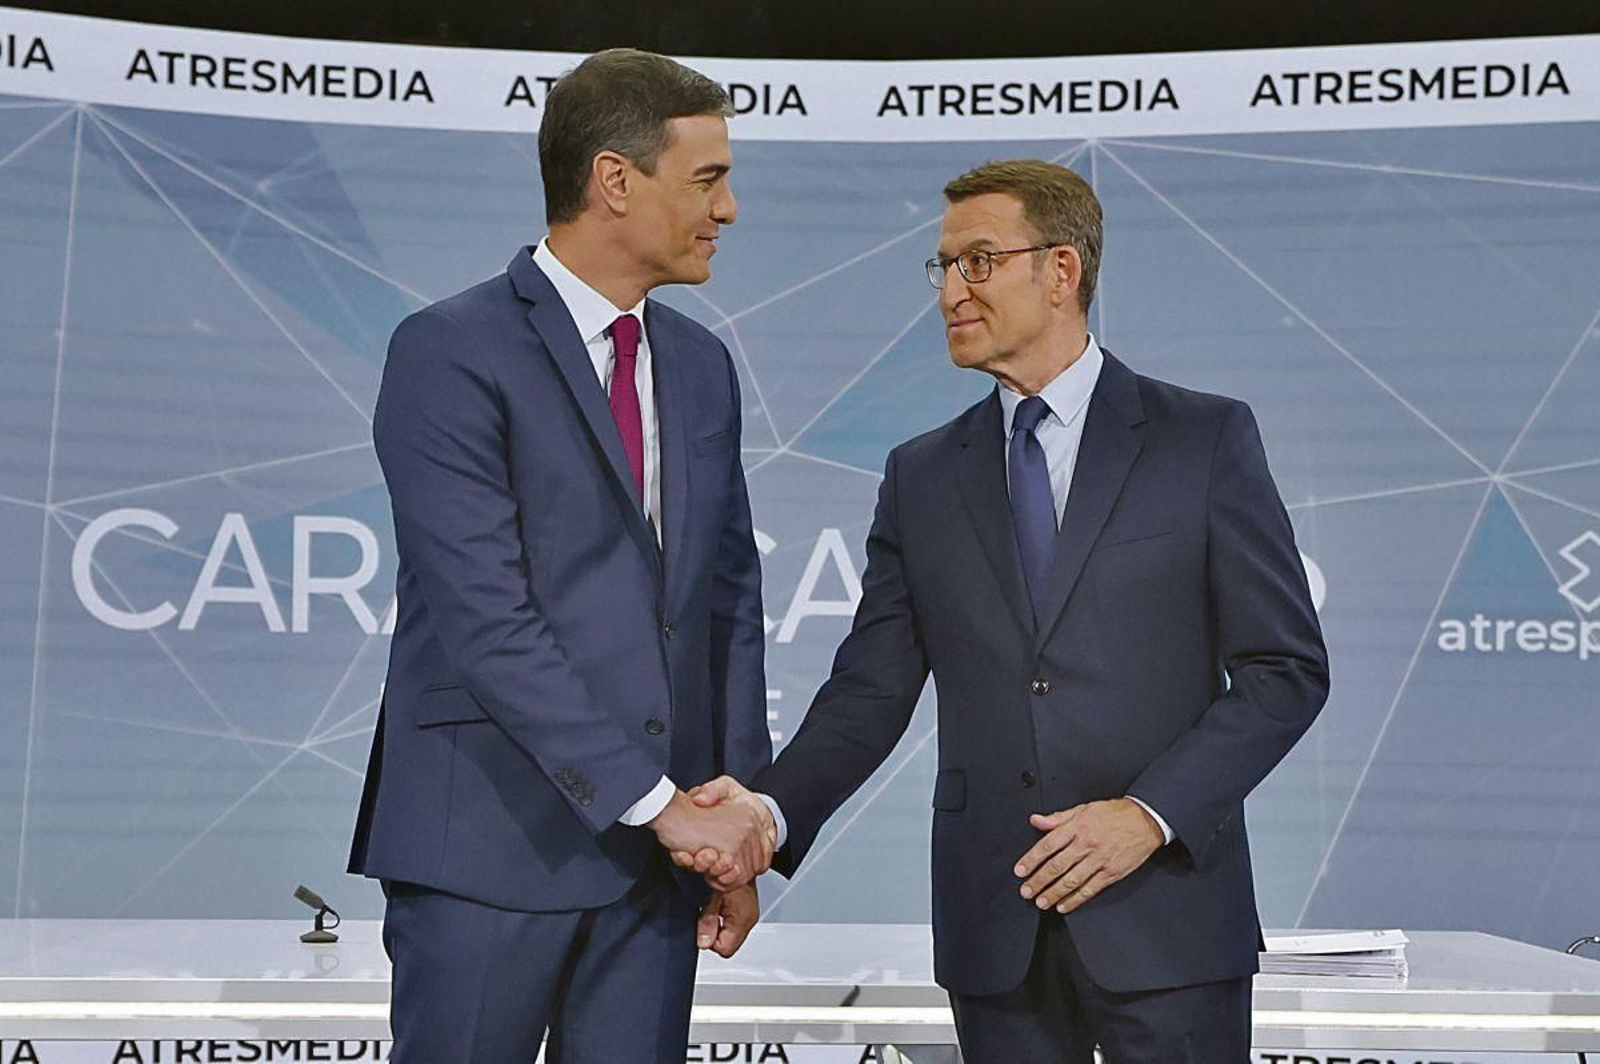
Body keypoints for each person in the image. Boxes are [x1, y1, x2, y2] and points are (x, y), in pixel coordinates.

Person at [684, 159, 1329, 1062]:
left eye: (979, 261)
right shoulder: (921, 475)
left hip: (1168, 923)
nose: (951, 290)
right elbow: (870, 692)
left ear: (1061, 271)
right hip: (999, 932)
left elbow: (1285, 672)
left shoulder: (1204, 440)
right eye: (943, 267)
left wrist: (1146, 813)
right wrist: (769, 816)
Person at [347, 48, 778, 1063]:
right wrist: (658, 802)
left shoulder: (702, 364)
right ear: (613, 179)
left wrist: (734, 817)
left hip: (657, 868)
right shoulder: (449, 349)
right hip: (487, 850)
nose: (730, 208)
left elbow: (726, 602)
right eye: (708, 178)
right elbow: (486, 617)